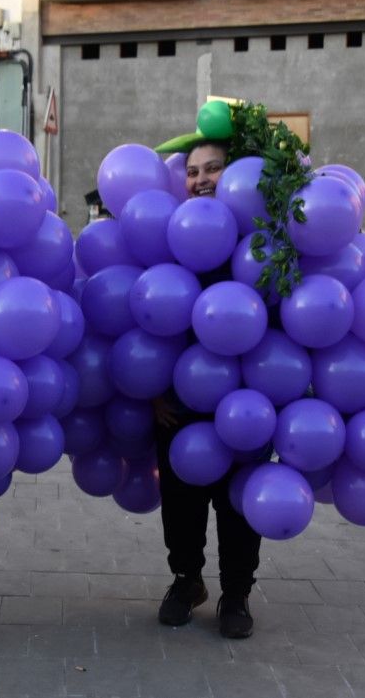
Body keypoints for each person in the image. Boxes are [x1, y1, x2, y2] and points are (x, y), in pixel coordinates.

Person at [151, 139, 264, 639]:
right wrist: (151, 387)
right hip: (182, 397)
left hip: (248, 397)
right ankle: (186, 578)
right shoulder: (173, 235)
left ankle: (236, 592)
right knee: (182, 494)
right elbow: (150, 318)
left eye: (214, 168)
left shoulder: (261, 241)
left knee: (238, 501)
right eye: (193, 171)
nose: (201, 179)